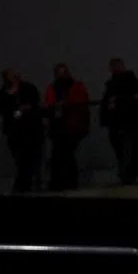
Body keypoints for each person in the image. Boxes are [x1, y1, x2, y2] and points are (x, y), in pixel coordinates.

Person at [0, 68, 44, 193]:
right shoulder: (1, 95)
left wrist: (25, 109)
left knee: (30, 158)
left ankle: (26, 184)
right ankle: (23, 185)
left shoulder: (29, 89)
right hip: (14, 132)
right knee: (20, 159)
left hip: (31, 130)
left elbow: (34, 104)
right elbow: (1, 110)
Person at [42, 63, 90, 191]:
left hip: (71, 126)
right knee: (61, 155)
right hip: (59, 127)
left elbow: (81, 102)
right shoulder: (53, 88)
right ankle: (62, 182)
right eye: (60, 73)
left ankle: (67, 182)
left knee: (66, 154)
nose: (62, 76)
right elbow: (48, 105)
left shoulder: (76, 87)